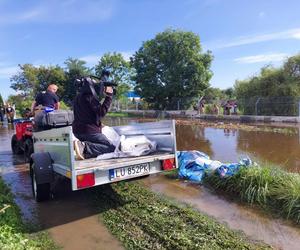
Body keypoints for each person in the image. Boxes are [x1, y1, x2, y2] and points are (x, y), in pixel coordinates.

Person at [72, 76, 115, 160]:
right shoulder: (90, 97)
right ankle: (84, 146)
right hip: (89, 132)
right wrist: (109, 96)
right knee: (111, 148)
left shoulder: (77, 97)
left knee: (99, 146)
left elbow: (86, 114)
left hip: (77, 131)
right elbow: (101, 112)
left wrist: (98, 123)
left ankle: (83, 151)